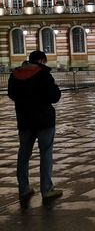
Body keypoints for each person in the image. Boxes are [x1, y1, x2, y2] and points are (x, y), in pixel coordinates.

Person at [8, 50, 63, 203]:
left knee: (23, 155)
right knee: (45, 154)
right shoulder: (43, 74)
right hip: (44, 120)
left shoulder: (15, 75)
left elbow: (11, 94)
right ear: (40, 60)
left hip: (24, 120)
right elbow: (54, 96)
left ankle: (24, 189)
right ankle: (46, 190)